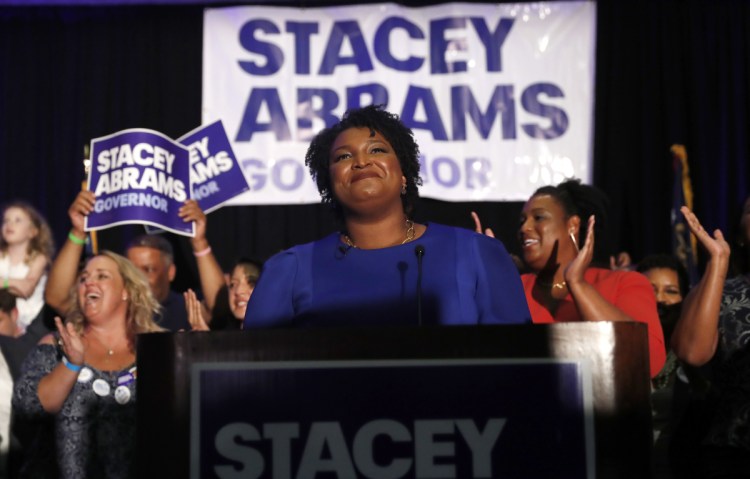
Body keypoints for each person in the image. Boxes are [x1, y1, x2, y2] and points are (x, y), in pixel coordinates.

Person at [244, 105, 531, 328]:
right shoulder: (288, 271)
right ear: (329, 182)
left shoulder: (478, 254)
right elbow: (255, 378)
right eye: (343, 157)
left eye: (377, 150)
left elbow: (517, 368)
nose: (361, 161)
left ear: (404, 174)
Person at [13, 251, 163, 478]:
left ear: (126, 291)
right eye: (83, 278)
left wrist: (199, 351)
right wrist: (71, 365)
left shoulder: (156, 347)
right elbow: (29, 406)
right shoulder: (57, 344)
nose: (89, 281)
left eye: (102, 276)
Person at [515, 179, 666, 378]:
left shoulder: (624, 283)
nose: (525, 227)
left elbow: (649, 362)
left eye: (539, 217)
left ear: (572, 225)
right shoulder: (513, 287)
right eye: (522, 220)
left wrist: (578, 284)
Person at [45, 192, 224, 332]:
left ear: (170, 272)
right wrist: (78, 232)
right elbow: (57, 298)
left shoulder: (185, 309)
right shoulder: (110, 307)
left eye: (148, 269)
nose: (138, 276)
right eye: (132, 269)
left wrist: (199, 242)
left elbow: (220, 306)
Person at [671, 202, 750, 478]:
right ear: (740, 235)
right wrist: (717, 263)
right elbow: (691, 352)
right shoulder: (720, 292)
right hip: (733, 453)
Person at [0, 201, 54, 333]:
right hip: (7, 321)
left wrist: (3, 282)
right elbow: (20, 287)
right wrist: (16, 285)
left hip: (33, 324)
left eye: (17, 220)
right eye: (6, 220)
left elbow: (27, 289)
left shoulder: (39, 258)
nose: (10, 224)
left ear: (32, 231)